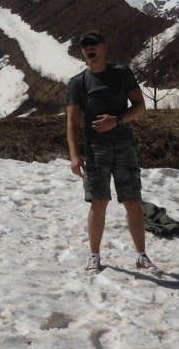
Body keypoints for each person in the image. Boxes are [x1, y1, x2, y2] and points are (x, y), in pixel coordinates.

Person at [66, 30, 158, 275]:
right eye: (85, 45)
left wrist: (116, 120)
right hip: (95, 150)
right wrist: (74, 155)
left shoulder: (121, 73)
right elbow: (72, 123)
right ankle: (94, 256)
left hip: (124, 145)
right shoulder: (77, 83)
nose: (89, 48)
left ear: (104, 46)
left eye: (93, 44)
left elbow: (140, 106)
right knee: (98, 202)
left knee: (132, 201)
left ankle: (141, 256)